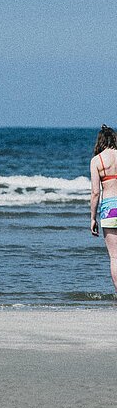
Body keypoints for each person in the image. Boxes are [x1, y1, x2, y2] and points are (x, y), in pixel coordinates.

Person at [90, 124, 117, 292]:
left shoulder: (97, 161)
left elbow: (95, 193)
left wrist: (93, 218)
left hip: (109, 208)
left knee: (115, 256)